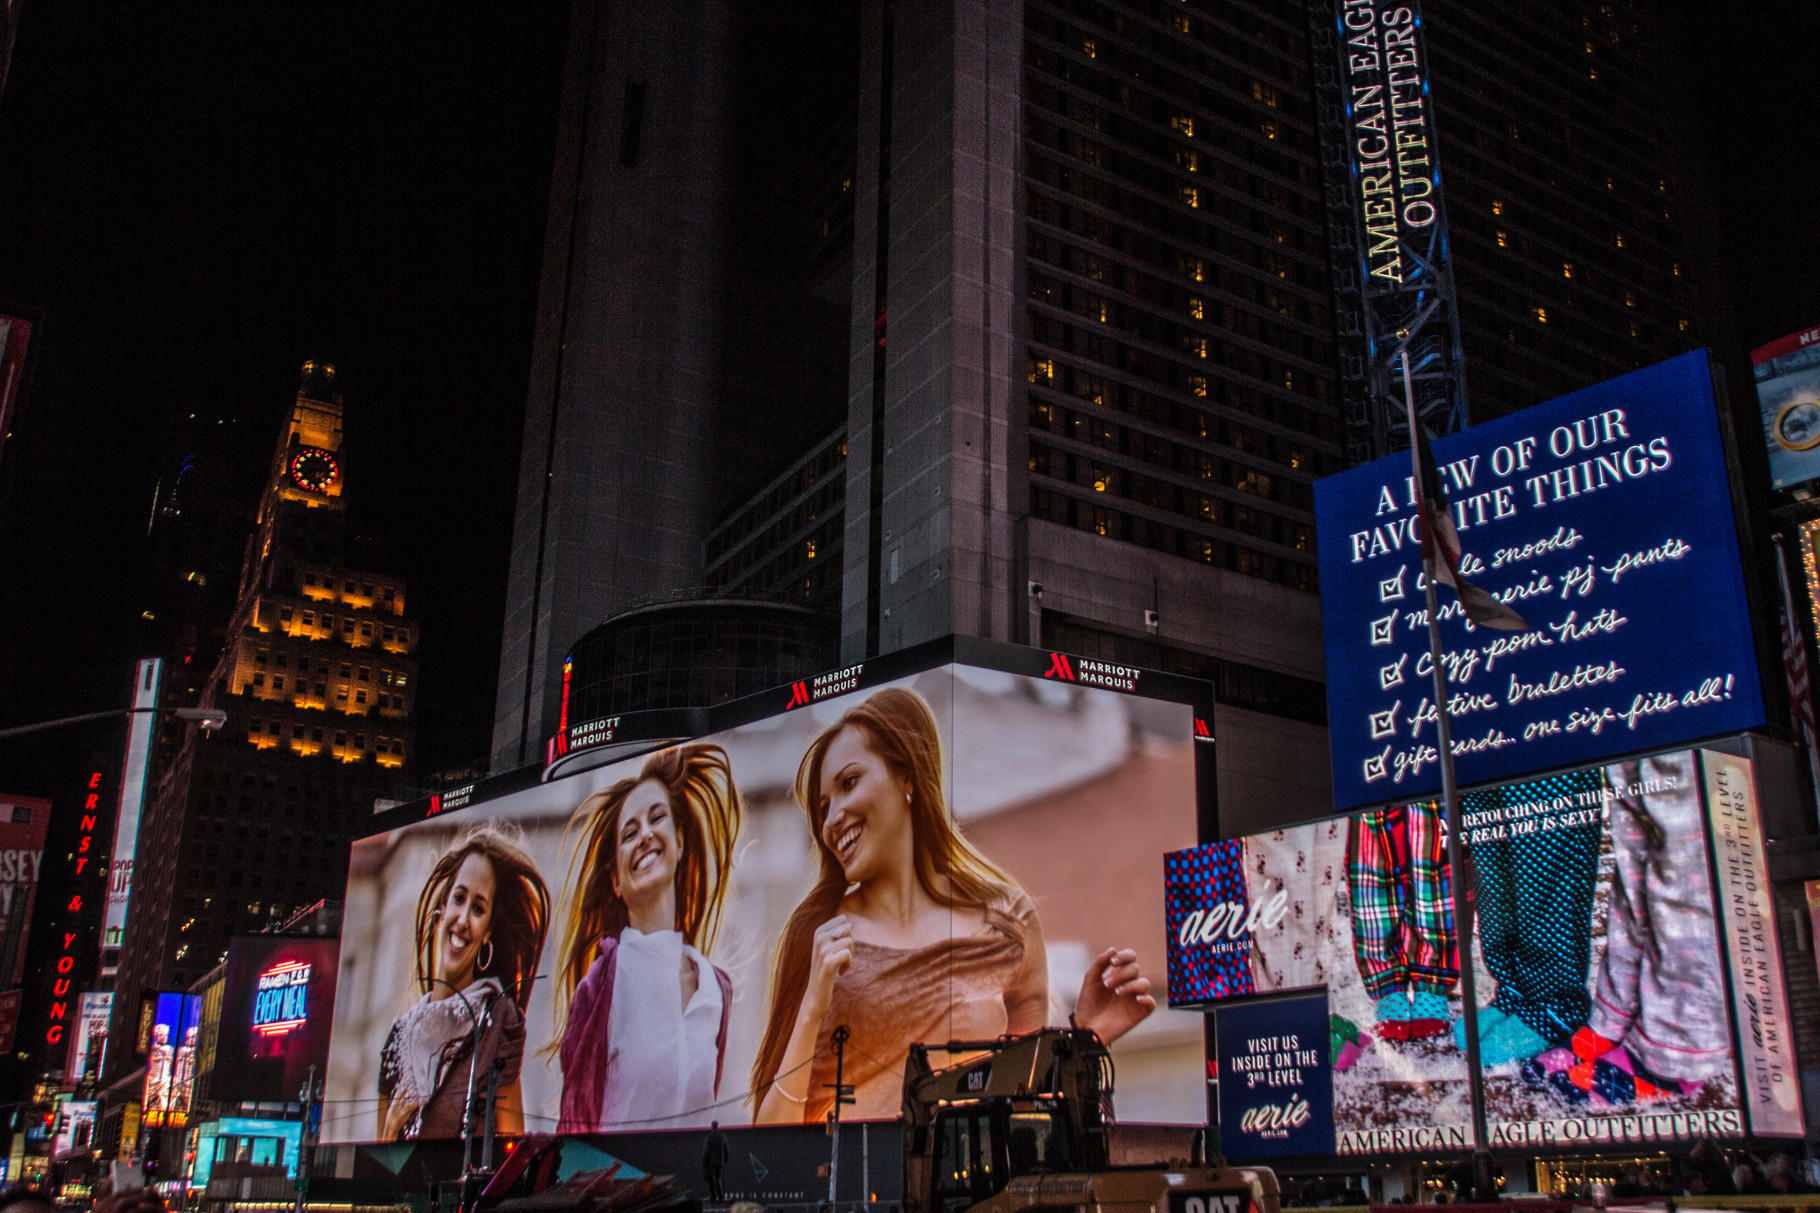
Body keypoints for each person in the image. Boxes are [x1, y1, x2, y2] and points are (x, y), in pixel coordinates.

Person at [750, 686, 1156, 1123]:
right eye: (823, 807)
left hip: (968, 1190)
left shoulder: (1009, 921)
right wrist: (813, 1005)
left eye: (849, 783)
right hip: (853, 1188)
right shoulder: (817, 933)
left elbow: (1030, 1112)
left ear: (907, 776)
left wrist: (1086, 1040)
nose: (832, 821)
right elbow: (768, 1139)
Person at [555, 745, 743, 1131]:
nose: (644, 835)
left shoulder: (716, 989)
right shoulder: (600, 987)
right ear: (616, 883)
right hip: (616, 1189)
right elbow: (574, 1131)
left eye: (657, 818)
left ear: (679, 842)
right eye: (629, 832)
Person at [377, 822, 551, 1140]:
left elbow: (509, 1144)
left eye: (478, 908)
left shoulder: (498, 1020)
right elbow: (378, 1166)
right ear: (441, 909)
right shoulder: (397, 1040)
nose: (463, 919)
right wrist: (391, 1126)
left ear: (487, 933)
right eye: (459, 898)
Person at [703, 1120, 729, 1202]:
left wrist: (705, 1162)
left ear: (711, 1126)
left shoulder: (709, 1137)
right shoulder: (722, 1136)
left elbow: (707, 1151)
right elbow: (726, 1150)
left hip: (711, 1162)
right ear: (717, 1126)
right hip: (719, 1162)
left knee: (711, 1180)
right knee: (717, 1178)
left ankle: (713, 1197)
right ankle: (720, 1196)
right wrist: (724, 1160)